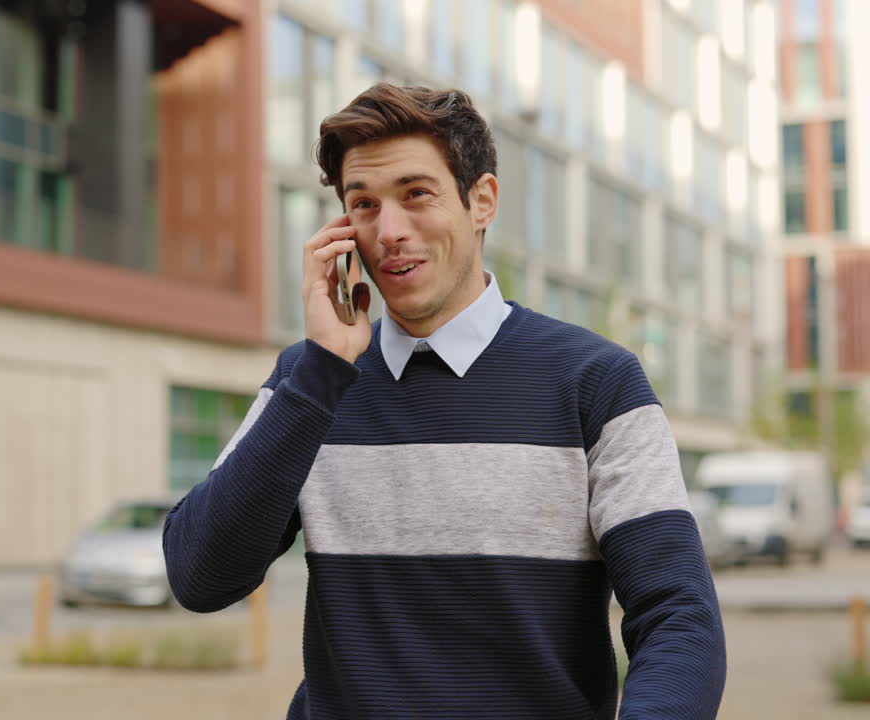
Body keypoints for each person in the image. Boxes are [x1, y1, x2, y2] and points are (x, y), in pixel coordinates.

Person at [162, 83, 726, 719]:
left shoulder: (596, 381)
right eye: (364, 204)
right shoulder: (309, 381)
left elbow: (678, 618)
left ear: (481, 200)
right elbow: (200, 577)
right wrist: (321, 375)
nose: (390, 231)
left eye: (416, 195)